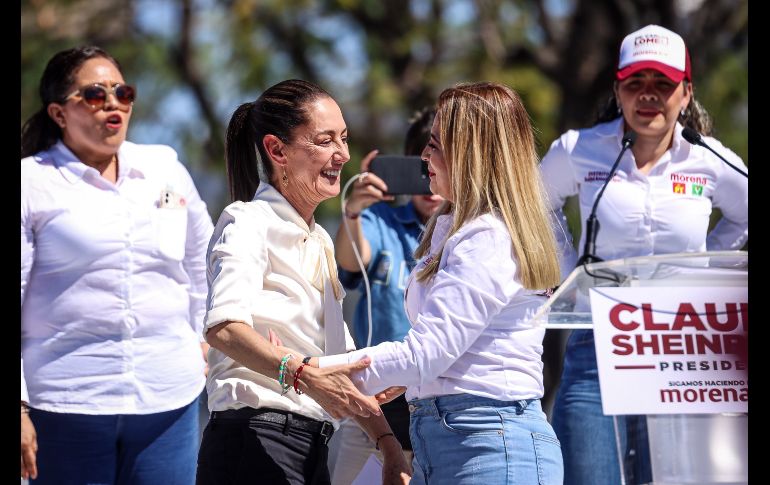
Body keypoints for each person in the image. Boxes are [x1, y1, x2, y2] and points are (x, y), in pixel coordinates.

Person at [301, 81, 565, 484]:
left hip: (487, 443)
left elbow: (428, 352)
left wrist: (309, 371)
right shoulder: (463, 231)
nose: (425, 155)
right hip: (464, 439)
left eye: (437, 144)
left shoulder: (487, 238)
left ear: (473, 155)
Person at [540, 24, 749, 485]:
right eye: (636, 82)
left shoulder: (708, 158)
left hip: (686, 350)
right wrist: (568, 268)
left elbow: (745, 215)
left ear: (686, 92)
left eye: (662, 84)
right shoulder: (581, 149)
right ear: (618, 89)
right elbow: (534, 202)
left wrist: (704, 269)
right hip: (599, 344)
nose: (648, 95)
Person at [195, 79, 411, 485]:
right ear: (277, 150)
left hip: (310, 444)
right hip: (254, 441)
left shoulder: (322, 239)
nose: (343, 154)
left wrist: (387, 441)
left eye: (344, 139)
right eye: (325, 140)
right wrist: (301, 374)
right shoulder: (246, 222)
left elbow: (338, 359)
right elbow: (223, 328)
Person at [21, 46, 214, 484]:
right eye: (94, 94)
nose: (112, 103)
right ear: (58, 112)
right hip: (67, 403)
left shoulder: (164, 166)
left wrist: (203, 340)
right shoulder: (31, 182)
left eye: (122, 92)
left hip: (169, 398)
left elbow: (203, 257)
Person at [327, 107, 443, 483]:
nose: (429, 182)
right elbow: (352, 259)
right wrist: (355, 211)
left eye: (437, 166)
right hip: (373, 408)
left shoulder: (471, 233)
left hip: (441, 409)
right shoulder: (382, 220)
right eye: (419, 169)